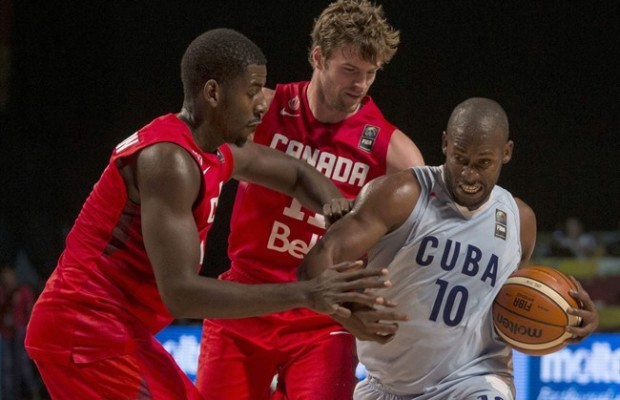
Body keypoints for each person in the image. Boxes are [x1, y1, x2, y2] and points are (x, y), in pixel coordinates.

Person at [24, 28, 394, 400]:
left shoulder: (216, 150)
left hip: (116, 328)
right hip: (85, 328)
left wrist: (336, 207)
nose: (262, 104)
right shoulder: (169, 161)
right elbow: (181, 294)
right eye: (251, 92)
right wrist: (307, 293)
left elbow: (297, 174)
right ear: (214, 93)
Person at [297, 97, 600, 400]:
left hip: (474, 379)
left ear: (506, 153)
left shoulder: (519, 221)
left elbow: (514, 301)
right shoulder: (401, 195)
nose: (469, 175)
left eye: (483, 163)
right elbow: (316, 262)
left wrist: (571, 319)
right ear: (445, 144)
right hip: (385, 386)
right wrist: (349, 314)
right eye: (460, 159)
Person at [196, 1, 425, 399]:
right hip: (246, 297)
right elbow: (192, 149)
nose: (360, 85)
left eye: (370, 74)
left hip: (325, 313)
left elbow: (429, 239)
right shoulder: (263, 108)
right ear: (318, 57)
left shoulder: (393, 150)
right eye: (349, 70)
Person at [0, 265, 40, 400]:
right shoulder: (3, 292)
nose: (8, 280)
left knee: (24, 365)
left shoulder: (24, 291)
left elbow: (32, 312)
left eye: (10, 277)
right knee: (6, 366)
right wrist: (8, 300)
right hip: (5, 333)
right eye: (6, 278)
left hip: (21, 332)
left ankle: (34, 393)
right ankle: (9, 396)